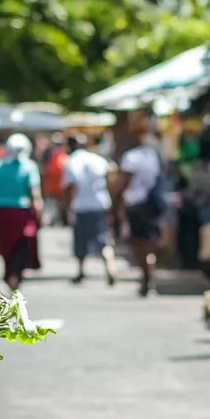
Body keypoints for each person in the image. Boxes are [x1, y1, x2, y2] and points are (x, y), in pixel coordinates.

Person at [0, 133, 43, 291]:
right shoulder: (29, 167)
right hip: (22, 213)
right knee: (21, 245)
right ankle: (15, 276)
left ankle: (10, 273)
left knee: (6, 246)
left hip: (2, 212)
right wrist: (39, 214)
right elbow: (35, 194)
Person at [115, 126, 165, 297]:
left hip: (136, 203)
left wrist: (117, 202)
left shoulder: (131, 157)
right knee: (148, 240)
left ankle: (146, 275)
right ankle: (149, 274)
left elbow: (125, 182)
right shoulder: (154, 156)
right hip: (151, 204)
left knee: (138, 242)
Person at [61, 134, 115, 285]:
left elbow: (69, 187)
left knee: (80, 240)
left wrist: (66, 208)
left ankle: (81, 271)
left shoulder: (71, 161)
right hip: (100, 204)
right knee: (103, 239)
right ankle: (110, 267)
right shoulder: (98, 160)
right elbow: (110, 179)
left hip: (81, 206)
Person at [41, 136, 69, 226]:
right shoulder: (48, 154)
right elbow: (43, 168)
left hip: (61, 186)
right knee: (50, 204)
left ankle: (62, 220)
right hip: (51, 185)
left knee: (61, 204)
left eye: (59, 144)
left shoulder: (65, 155)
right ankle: (51, 220)